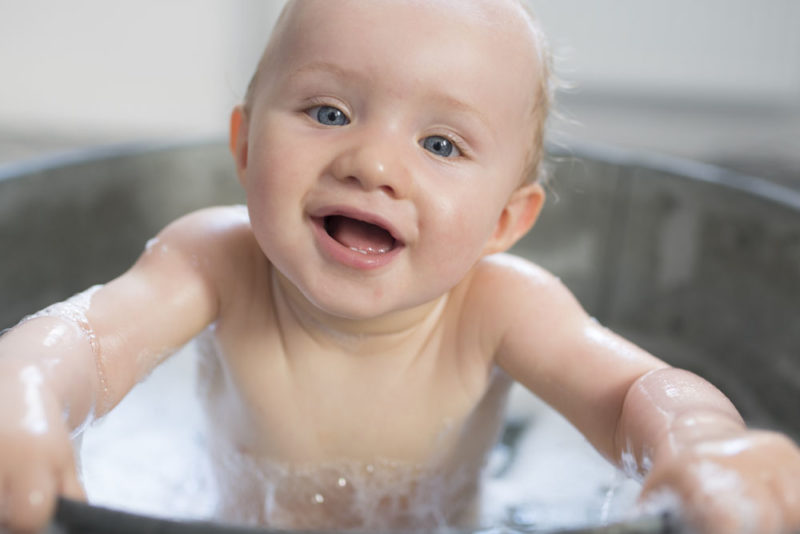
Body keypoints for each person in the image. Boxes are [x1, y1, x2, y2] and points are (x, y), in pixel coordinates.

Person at [1, 0, 799, 532]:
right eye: (328, 111)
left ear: (505, 221)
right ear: (245, 148)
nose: (373, 163)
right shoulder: (213, 259)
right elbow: (88, 338)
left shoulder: (501, 305)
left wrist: (701, 444)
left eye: (440, 144)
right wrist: (26, 397)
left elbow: (634, 393)